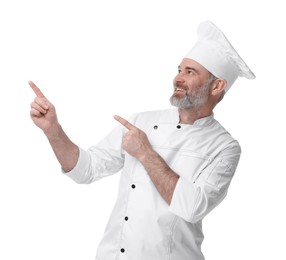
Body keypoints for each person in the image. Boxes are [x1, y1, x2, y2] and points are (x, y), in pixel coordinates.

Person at [29, 21, 255, 260]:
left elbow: (193, 207)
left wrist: (146, 153)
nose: (178, 78)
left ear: (217, 85)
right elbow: (86, 170)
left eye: (190, 72)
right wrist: (53, 130)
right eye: (179, 70)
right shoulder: (141, 122)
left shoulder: (225, 147)